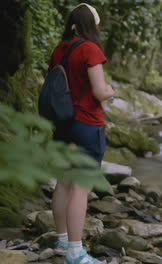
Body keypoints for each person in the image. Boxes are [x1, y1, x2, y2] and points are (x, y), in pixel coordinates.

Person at [49, 3, 114, 264]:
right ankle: (76, 253)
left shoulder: (59, 49)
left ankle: (62, 241)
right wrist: (111, 90)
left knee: (63, 183)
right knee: (81, 188)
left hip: (62, 124)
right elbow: (99, 92)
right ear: (92, 24)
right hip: (87, 124)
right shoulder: (90, 49)